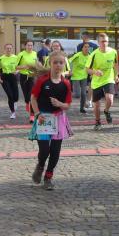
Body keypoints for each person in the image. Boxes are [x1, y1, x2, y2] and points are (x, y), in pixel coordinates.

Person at [30, 50, 73, 190]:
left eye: (61, 62)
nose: (58, 65)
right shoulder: (42, 80)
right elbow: (33, 98)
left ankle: (48, 177)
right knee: (44, 150)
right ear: (50, 63)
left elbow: (68, 105)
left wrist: (60, 104)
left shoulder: (66, 83)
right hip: (43, 118)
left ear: (64, 64)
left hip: (58, 118)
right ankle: (40, 166)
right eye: (55, 62)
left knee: (55, 151)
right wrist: (37, 113)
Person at [86, 33, 119, 130]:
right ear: (98, 43)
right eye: (102, 41)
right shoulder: (94, 54)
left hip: (109, 79)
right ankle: (97, 122)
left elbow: (116, 65)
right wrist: (95, 72)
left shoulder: (113, 52)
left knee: (110, 99)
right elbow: (87, 69)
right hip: (97, 82)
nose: (104, 43)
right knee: (96, 105)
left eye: (106, 41)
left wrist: (116, 75)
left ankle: (106, 111)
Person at [16, 41, 41, 122]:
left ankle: (32, 116)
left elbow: (36, 64)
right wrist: (25, 67)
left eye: (31, 45)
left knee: (32, 96)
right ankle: (27, 103)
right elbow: (16, 67)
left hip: (32, 76)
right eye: (28, 45)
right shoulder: (21, 54)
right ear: (25, 46)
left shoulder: (35, 53)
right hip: (23, 77)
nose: (30, 47)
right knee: (26, 96)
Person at [0, 43, 20, 119]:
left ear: (12, 49)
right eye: (7, 48)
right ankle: (13, 112)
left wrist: (17, 71)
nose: (8, 50)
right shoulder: (1, 58)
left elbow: (20, 66)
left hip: (13, 76)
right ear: (4, 49)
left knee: (16, 96)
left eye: (10, 48)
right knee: (10, 95)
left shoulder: (16, 57)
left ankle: (15, 102)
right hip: (5, 77)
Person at [69, 42, 92, 114]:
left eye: (88, 47)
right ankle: (67, 95)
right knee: (77, 95)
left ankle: (82, 108)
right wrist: (70, 70)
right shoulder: (78, 55)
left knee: (83, 93)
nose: (87, 48)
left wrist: (92, 73)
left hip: (84, 76)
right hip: (75, 76)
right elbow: (69, 61)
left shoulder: (90, 56)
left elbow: (91, 66)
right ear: (82, 48)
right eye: (85, 47)